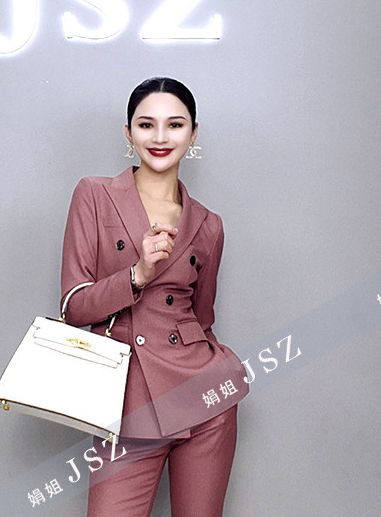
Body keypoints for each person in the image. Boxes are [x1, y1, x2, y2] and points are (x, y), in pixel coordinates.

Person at [60, 77, 248, 517]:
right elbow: (72, 307)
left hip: (205, 397)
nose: (160, 137)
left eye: (175, 125)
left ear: (193, 134)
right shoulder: (95, 195)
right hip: (128, 401)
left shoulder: (209, 224)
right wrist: (137, 274)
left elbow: (202, 319)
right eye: (146, 125)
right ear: (128, 133)